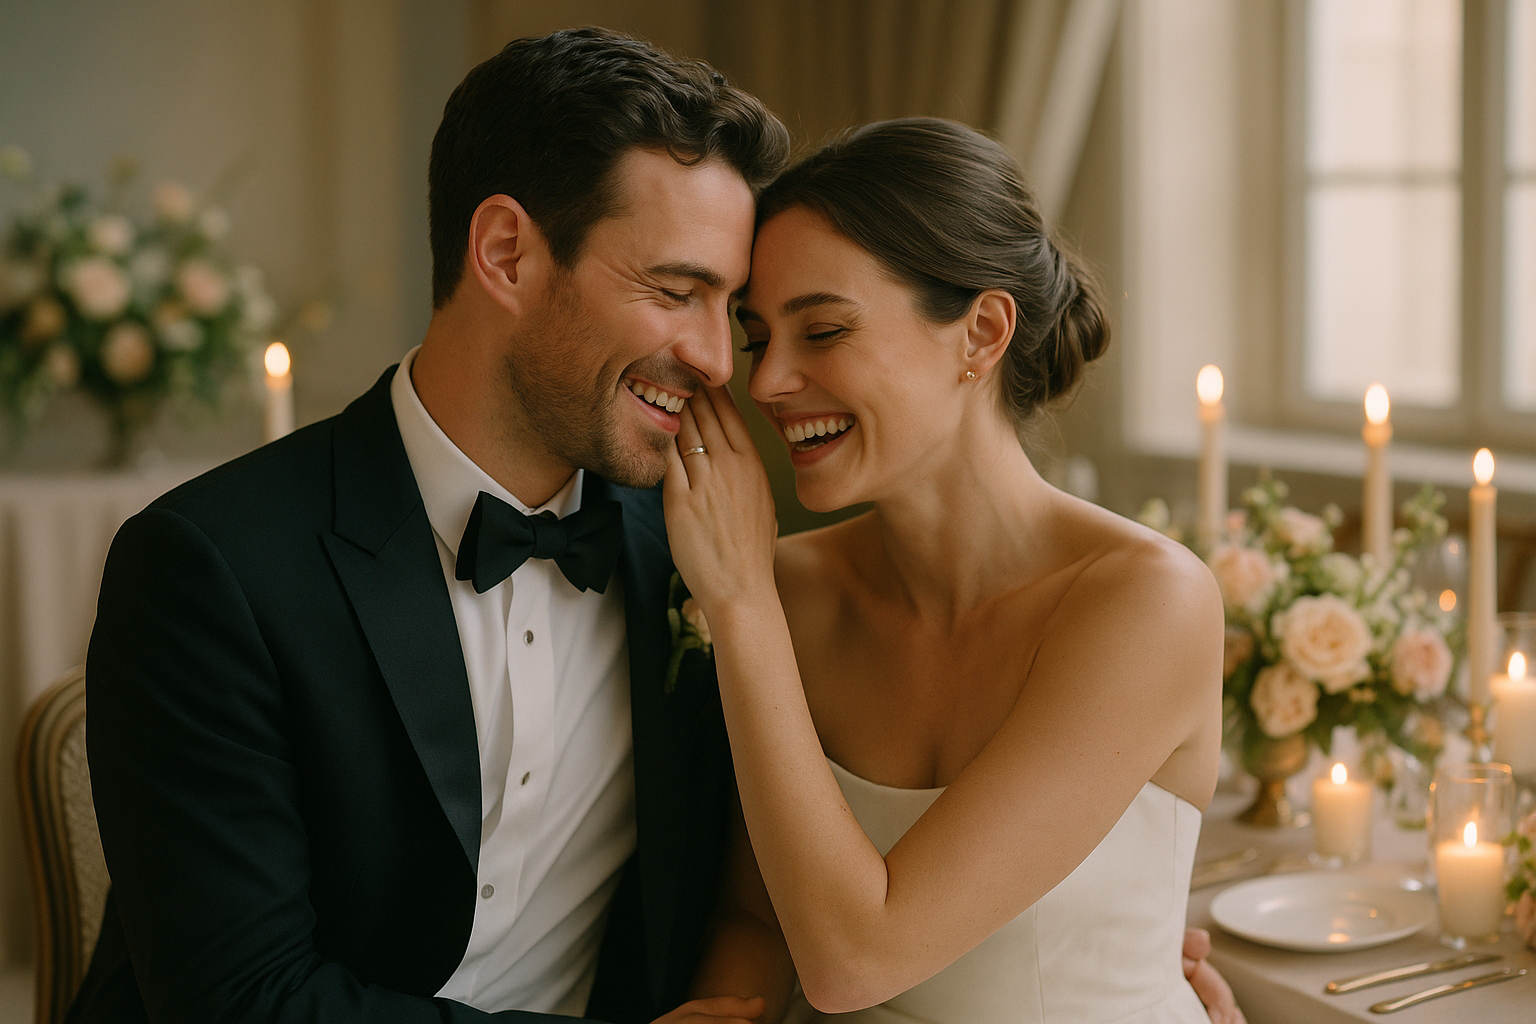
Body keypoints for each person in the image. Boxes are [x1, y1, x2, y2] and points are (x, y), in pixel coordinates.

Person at [72, 28, 789, 1024]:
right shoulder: (211, 566)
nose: (718, 359)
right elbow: (238, 1000)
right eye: (676, 292)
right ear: (505, 253)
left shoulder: (695, 553)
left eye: (731, 309)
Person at [663, 118, 1238, 1024]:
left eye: (823, 330)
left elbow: (856, 961)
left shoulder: (1144, 602)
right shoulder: (795, 593)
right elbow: (761, 916)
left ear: (980, 331)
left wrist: (738, 606)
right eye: (758, 337)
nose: (768, 380)